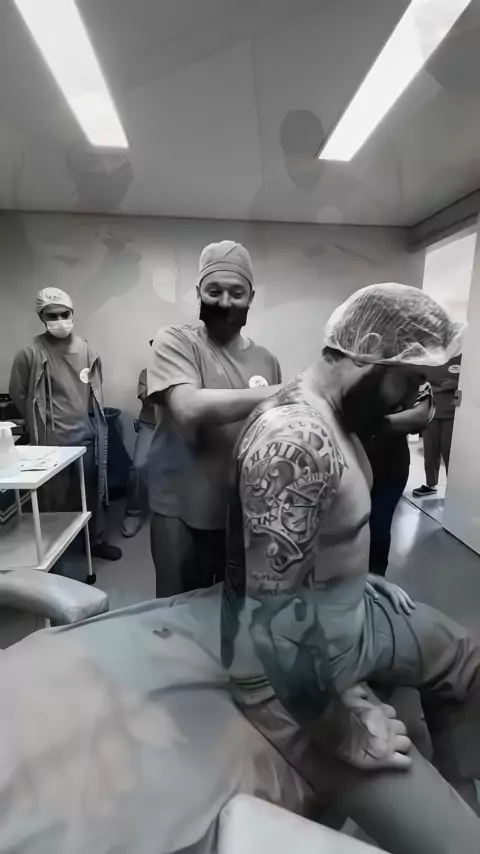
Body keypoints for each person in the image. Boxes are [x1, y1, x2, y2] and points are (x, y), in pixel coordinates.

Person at [222, 283, 480, 853]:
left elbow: (324, 533)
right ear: (369, 352)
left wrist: (359, 577)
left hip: (351, 610)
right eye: (407, 379)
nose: (410, 397)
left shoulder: (336, 415)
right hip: (283, 674)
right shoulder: (294, 440)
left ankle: (464, 780)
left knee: (464, 657)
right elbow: (276, 630)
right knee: (461, 844)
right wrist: (344, 733)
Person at [147, 240, 281, 597]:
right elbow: (188, 408)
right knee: (178, 611)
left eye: (236, 293)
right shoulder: (176, 342)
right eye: (214, 292)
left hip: (241, 512)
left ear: (251, 297)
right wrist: (289, 390)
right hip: (181, 509)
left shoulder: (267, 360)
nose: (224, 303)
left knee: (233, 609)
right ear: (198, 293)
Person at [9, 287, 121, 561]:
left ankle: (95, 541)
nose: (59, 320)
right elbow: (18, 393)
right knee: (55, 500)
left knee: (92, 494)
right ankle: (57, 551)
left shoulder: (88, 351)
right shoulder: (30, 353)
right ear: (41, 317)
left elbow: (95, 395)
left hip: (86, 437)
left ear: (72, 313)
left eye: (64, 314)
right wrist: (40, 424)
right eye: (52, 315)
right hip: (51, 443)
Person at [362, 384, 433, 576]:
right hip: (350, 462)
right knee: (344, 526)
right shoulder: (346, 374)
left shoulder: (410, 376)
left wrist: (366, 423)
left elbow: (420, 416)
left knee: (378, 526)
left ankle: (375, 580)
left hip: (389, 466)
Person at [121, 343, 156, 538]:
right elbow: (146, 398)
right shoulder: (147, 373)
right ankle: (134, 512)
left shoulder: (189, 371)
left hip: (178, 427)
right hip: (150, 425)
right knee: (139, 466)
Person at [413, 355, 461, 497]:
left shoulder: (462, 359)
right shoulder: (428, 359)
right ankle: (431, 484)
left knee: (449, 451)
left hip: (453, 413)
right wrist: (437, 389)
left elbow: (472, 384)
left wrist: (457, 384)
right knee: (430, 450)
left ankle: (455, 488)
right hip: (431, 412)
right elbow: (417, 383)